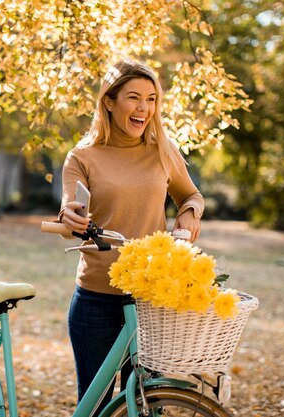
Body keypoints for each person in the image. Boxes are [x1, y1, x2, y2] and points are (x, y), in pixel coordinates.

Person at [58, 59, 205, 411]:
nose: (144, 108)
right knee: (94, 405)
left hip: (150, 298)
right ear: (109, 101)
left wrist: (188, 216)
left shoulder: (162, 152)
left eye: (151, 99)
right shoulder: (82, 157)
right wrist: (72, 218)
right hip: (96, 301)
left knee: (148, 402)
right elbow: (68, 212)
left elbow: (191, 195)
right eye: (134, 98)